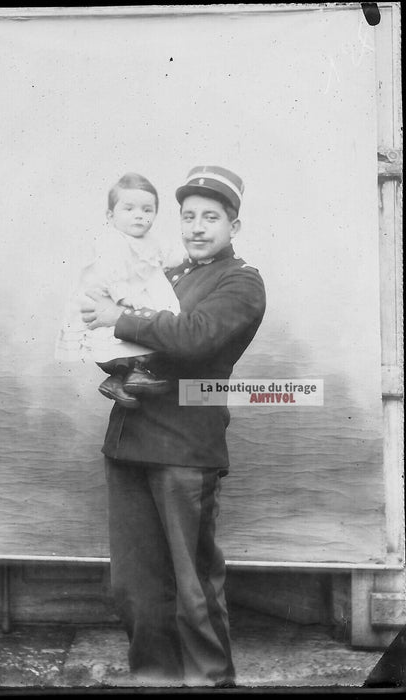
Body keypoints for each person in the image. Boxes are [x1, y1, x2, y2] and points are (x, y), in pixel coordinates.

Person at [81, 165, 266, 688]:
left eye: (211, 217)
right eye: (188, 217)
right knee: (135, 589)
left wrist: (118, 318)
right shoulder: (168, 273)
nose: (197, 227)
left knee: (193, 588)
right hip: (130, 443)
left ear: (234, 225)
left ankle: (210, 683)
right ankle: (154, 680)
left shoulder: (241, 280)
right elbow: (117, 336)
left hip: (185, 449)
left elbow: (194, 336)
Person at [57, 172, 181, 409]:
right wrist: (124, 296)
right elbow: (109, 273)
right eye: (129, 209)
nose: (139, 215)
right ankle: (130, 374)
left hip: (134, 295)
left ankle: (121, 379)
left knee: (152, 326)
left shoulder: (149, 240)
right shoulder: (111, 241)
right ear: (110, 215)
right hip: (114, 295)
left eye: (147, 210)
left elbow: (166, 255)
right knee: (127, 334)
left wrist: (183, 257)